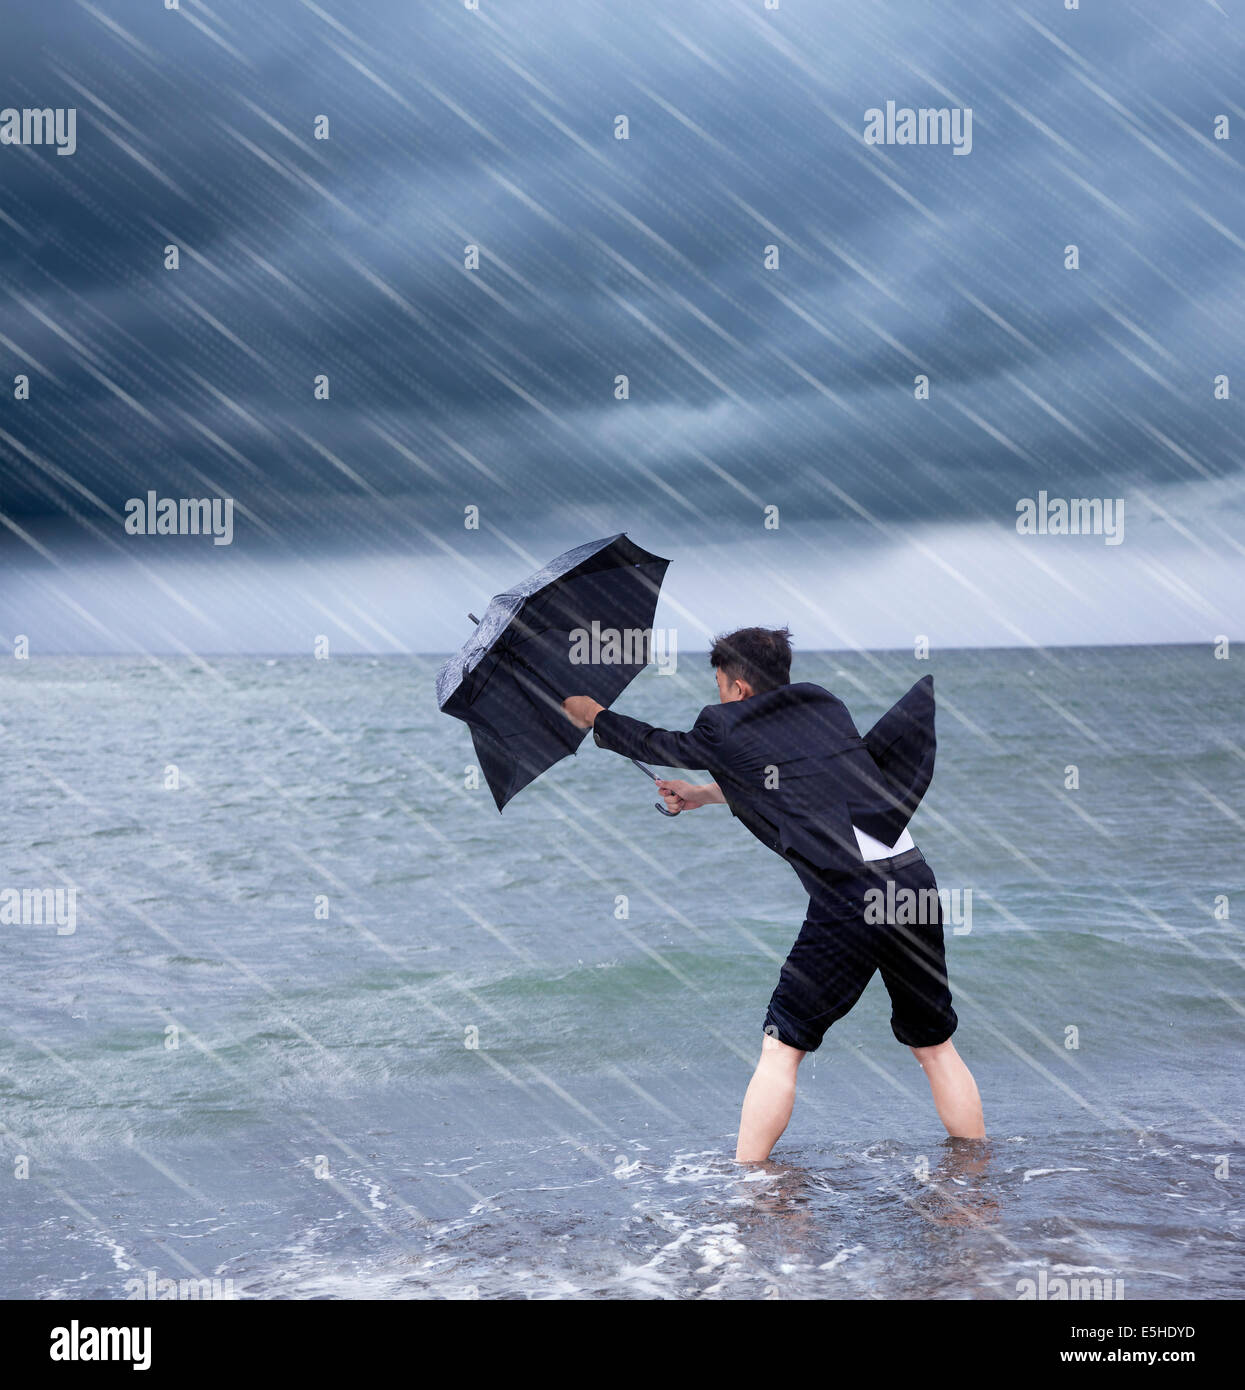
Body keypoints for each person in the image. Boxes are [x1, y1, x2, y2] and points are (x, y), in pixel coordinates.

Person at [562, 626, 984, 1162]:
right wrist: (701, 796)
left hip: (851, 893)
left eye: (719, 684)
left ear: (737, 688)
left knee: (781, 1046)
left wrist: (595, 716)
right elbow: (799, 776)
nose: (717, 696)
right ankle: (975, 1178)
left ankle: (749, 1186)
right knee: (934, 1045)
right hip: (910, 877)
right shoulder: (822, 705)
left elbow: (657, 744)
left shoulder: (723, 723)